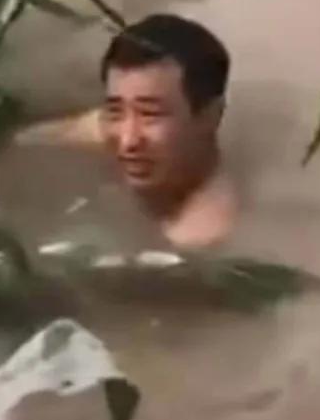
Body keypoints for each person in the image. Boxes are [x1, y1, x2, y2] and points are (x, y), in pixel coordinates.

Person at [15, 14, 237, 249]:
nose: (127, 140)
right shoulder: (116, 132)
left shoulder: (201, 232)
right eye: (116, 110)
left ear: (210, 116)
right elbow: (22, 140)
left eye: (150, 114)